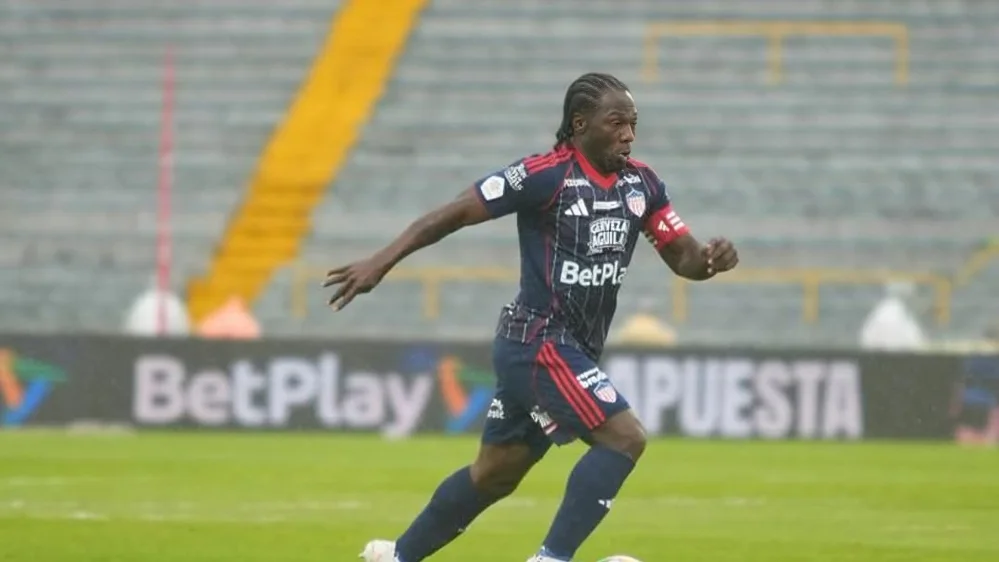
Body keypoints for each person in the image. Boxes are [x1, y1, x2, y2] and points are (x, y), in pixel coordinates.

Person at [323, 73, 739, 562]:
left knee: (495, 472)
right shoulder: (545, 175)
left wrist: (710, 261)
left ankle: (398, 557)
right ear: (581, 124)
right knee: (624, 438)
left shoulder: (641, 185)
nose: (629, 134)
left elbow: (683, 258)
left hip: (569, 350)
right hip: (538, 340)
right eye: (617, 122)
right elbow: (457, 211)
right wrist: (382, 261)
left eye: (633, 124)